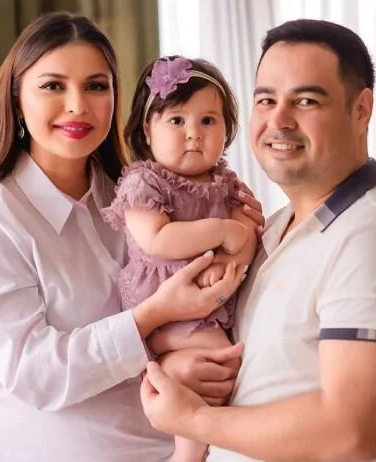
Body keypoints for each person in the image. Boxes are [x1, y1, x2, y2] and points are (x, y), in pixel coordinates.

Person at [0, 12, 263, 462]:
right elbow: (36, 374)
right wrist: (154, 316)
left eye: (96, 86)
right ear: (17, 99)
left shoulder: (142, 199)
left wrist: (240, 230)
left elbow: (216, 277)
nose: (77, 106)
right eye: (53, 86)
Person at [139, 19, 376, 462]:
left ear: (361, 110)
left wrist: (193, 418)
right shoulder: (270, 230)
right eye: (266, 100)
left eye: (306, 100)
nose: (279, 120)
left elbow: (351, 431)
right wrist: (184, 367)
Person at [102, 55, 258, 462]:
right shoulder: (144, 181)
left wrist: (225, 264)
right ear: (147, 130)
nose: (194, 134)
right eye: (177, 120)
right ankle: (192, 453)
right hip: (162, 306)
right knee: (224, 363)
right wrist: (220, 232)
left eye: (208, 121)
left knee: (193, 374)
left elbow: (246, 233)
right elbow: (157, 239)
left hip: (211, 304)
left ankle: (194, 449)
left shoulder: (226, 182)